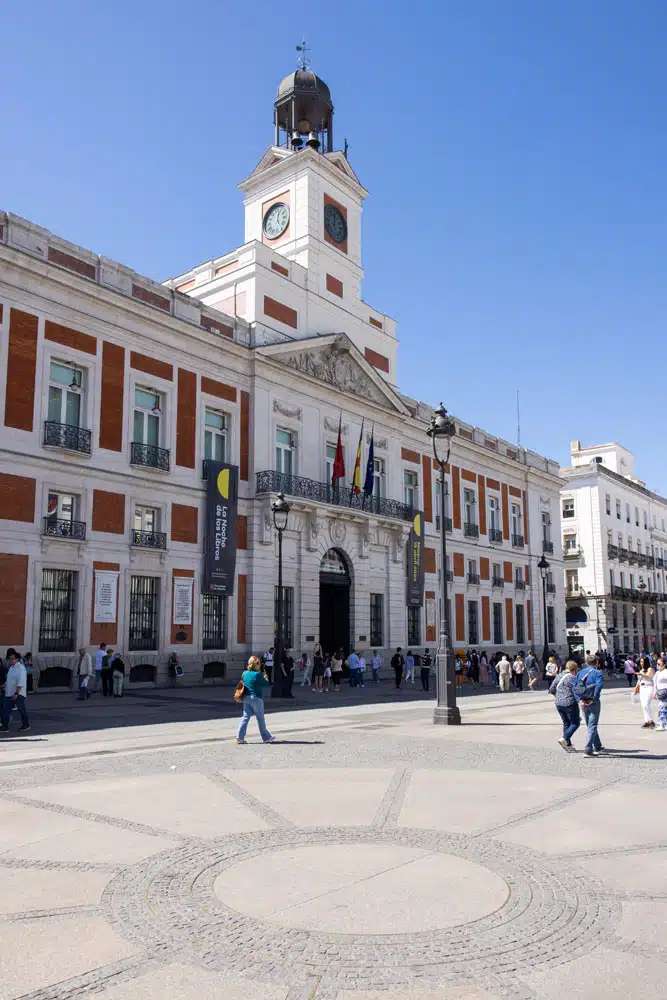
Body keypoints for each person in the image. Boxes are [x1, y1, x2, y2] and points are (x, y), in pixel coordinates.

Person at [236, 655, 275, 744]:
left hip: (245, 697)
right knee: (260, 718)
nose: (259, 665)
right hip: (256, 698)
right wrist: (265, 676)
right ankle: (266, 737)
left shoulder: (244, 673)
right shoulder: (258, 674)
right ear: (255, 664)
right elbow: (266, 684)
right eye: (258, 663)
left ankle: (240, 737)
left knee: (245, 717)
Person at [574, 654, 605, 757]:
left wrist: (579, 699)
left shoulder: (580, 673)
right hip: (593, 702)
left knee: (590, 724)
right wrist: (593, 699)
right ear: (596, 663)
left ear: (587, 662)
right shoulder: (598, 673)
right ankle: (588, 748)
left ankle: (597, 745)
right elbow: (598, 687)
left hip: (583, 701)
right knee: (592, 724)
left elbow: (575, 688)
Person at [550, 660, 581, 751]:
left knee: (566, 723)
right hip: (570, 703)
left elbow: (551, 689)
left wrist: (558, 695)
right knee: (575, 722)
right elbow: (577, 690)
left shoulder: (559, 676)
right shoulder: (572, 677)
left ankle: (568, 745)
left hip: (558, 703)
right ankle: (564, 738)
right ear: (575, 669)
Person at [0, 651, 30, 733]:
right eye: (10, 659)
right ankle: (5, 726)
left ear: (17, 659)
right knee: (5, 710)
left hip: (18, 694)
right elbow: (9, 680)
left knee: (21, 709)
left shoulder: (21, 668)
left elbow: (21, 682)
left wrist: (16, 693)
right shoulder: (11, 668)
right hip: (9, 693)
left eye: (12, 659)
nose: (10, 660)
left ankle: (26, 725)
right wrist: (3, 686)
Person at [634, 655, 656, 729]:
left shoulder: (650, 669)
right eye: (641, 662)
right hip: (642, 688)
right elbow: (639, 680)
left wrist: (640, 674)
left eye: (643, 662)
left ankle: (651, 721)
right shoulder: (641, 670)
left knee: (647, 704)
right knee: (643, 705)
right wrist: (636, 688)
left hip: (649, 687)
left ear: (646, 662)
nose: (641, 663)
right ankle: (647, 721)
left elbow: (648, 676)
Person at [654, 658, 667, 730]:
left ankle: (662, 725)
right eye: (657, 664)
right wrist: (654, 693)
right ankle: (664, 724)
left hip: (664, 692)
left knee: (662, 708)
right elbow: (656, 684)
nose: (657, 665)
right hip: (660, 693)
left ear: (664, 665)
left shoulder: (665, 672)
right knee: (663, 708)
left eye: (659, 664)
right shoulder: (658, 672)